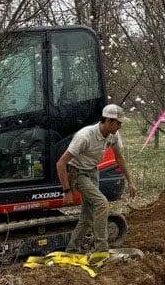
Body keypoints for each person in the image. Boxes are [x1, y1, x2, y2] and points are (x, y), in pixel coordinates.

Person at [57, 104, 137, 259]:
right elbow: (61, 163)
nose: (120, 126)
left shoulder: (113, 135)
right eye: (118, 123)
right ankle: (101, 251)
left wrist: (130, 182)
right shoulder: (85, 136)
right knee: (102, 204)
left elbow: (119, 158)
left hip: (93, 172)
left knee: (87, 217)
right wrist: (66, 191)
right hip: (77, 173)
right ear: (108, 120)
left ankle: (71, 250)